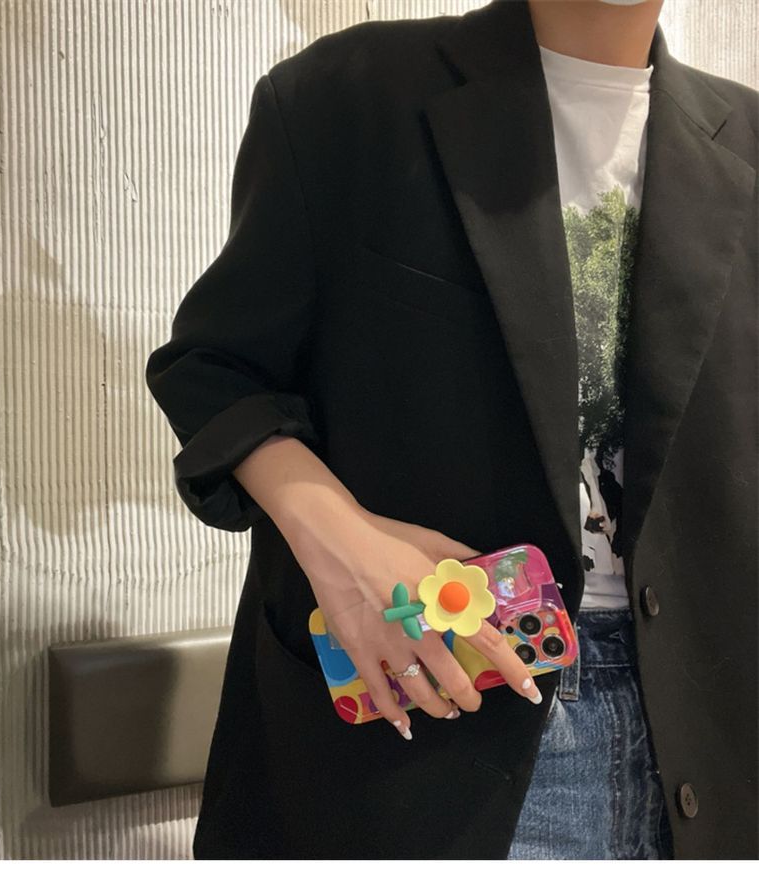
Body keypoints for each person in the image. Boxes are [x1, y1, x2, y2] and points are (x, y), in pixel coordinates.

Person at [145, 0, 758, 859]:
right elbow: (215, 370)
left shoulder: (746, 141)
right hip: (423, 740)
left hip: (715, 752)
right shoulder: (347, 97)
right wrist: (342, 540)